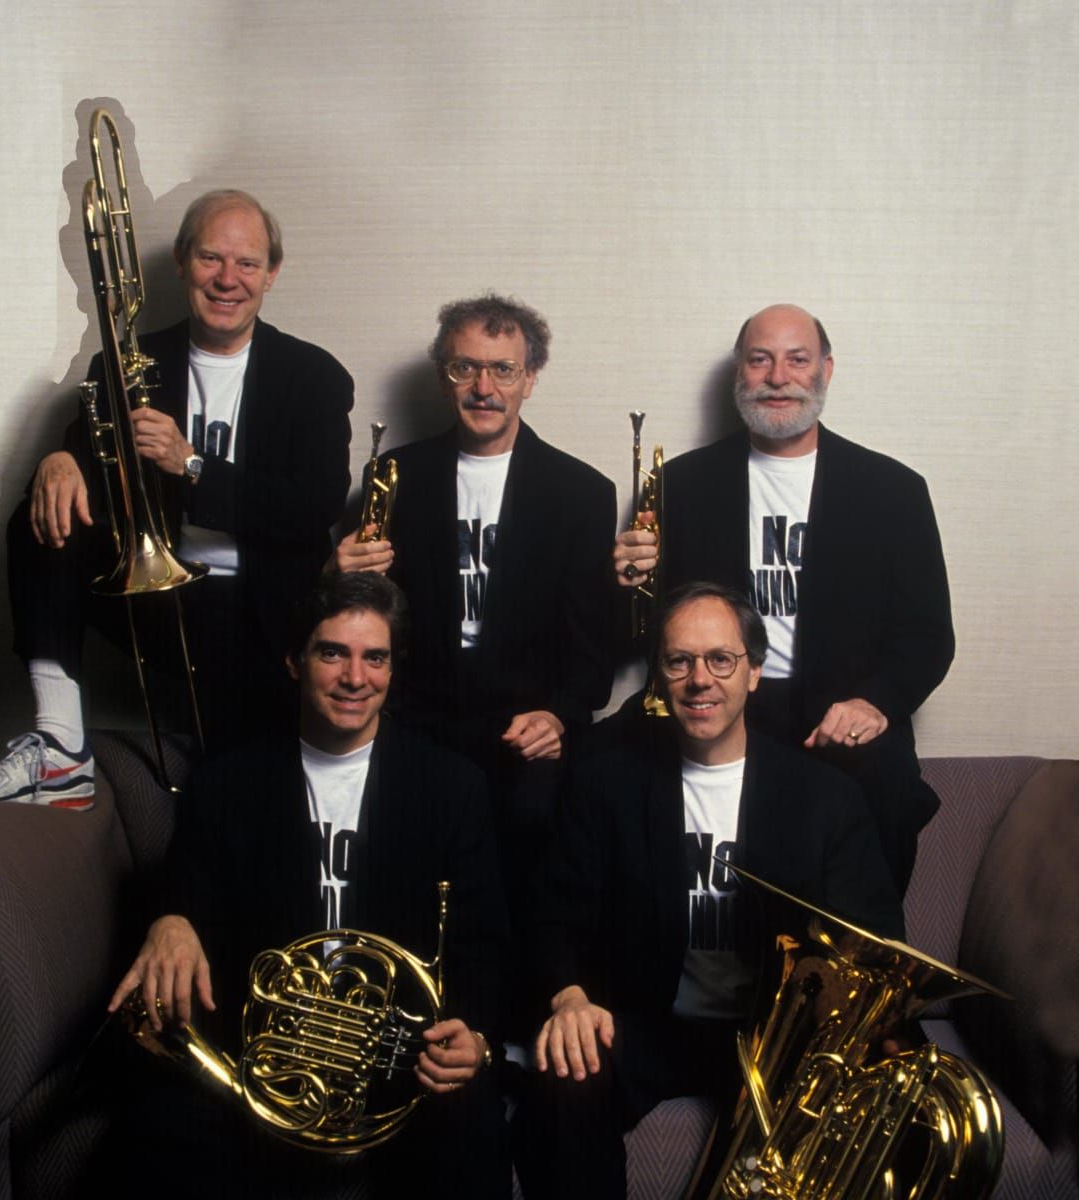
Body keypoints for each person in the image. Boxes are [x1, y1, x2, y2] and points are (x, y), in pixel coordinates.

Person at [107, 572, 510, 1196]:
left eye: (374, 657)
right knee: (157, 1136)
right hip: (263, 1060)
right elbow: (187, 885)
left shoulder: (452, 788)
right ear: (295, 662)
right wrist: (171, 920)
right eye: (333, 653)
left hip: (397, 1060)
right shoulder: (228, 782)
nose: (356, 678)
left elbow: (484, 944)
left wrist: (476, 1037)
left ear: (393, 669)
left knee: (471, 1139)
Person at [0, 189, 354, 805]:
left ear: (271, 274)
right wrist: (59, 460)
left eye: (247, 264)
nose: (227, 280)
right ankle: (59, 748)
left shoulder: (316, 377)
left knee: (237, 795)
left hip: (261, 616)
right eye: (210, 259)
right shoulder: (126, 363)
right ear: (181, 263)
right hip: (159, 603)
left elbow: (313, 508)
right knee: (43, 509)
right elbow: (87, 455)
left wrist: (190, 464)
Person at [513, 581, 903, 1199]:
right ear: (660, 677)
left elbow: (878, 943)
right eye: (679, 661)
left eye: (721, 660)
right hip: (645, 1020)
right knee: (559, 1084)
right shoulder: (604, 784)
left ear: (754, 672)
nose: (701, 679)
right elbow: (553, 914)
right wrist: (568, 998)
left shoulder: (824, 798)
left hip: (772, 1037)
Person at [612, 304, 953, 892]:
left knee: (889, 793)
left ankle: (863, 974)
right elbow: (641, 631)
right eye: (760, 360)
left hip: (840, 712)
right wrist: (623, 583)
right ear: (739, 374)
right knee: (607, 769)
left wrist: (875, 703)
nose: (778, 377)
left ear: (826, 369)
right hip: (722, 703)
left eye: (797, 360)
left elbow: (928, 637)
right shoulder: (682, 485)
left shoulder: (893, 491)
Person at [332, 293, 617, 928]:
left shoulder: (582, 493)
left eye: (503, 370)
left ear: (530, 379)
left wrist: (560, 715)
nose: (483, 387)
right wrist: (337, 574)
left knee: (532, 834)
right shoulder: (393, 476)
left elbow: (593, 650)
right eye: (465, 368)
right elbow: (355, 623)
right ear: (443, 376)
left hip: (522, 730)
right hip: (413, 723)